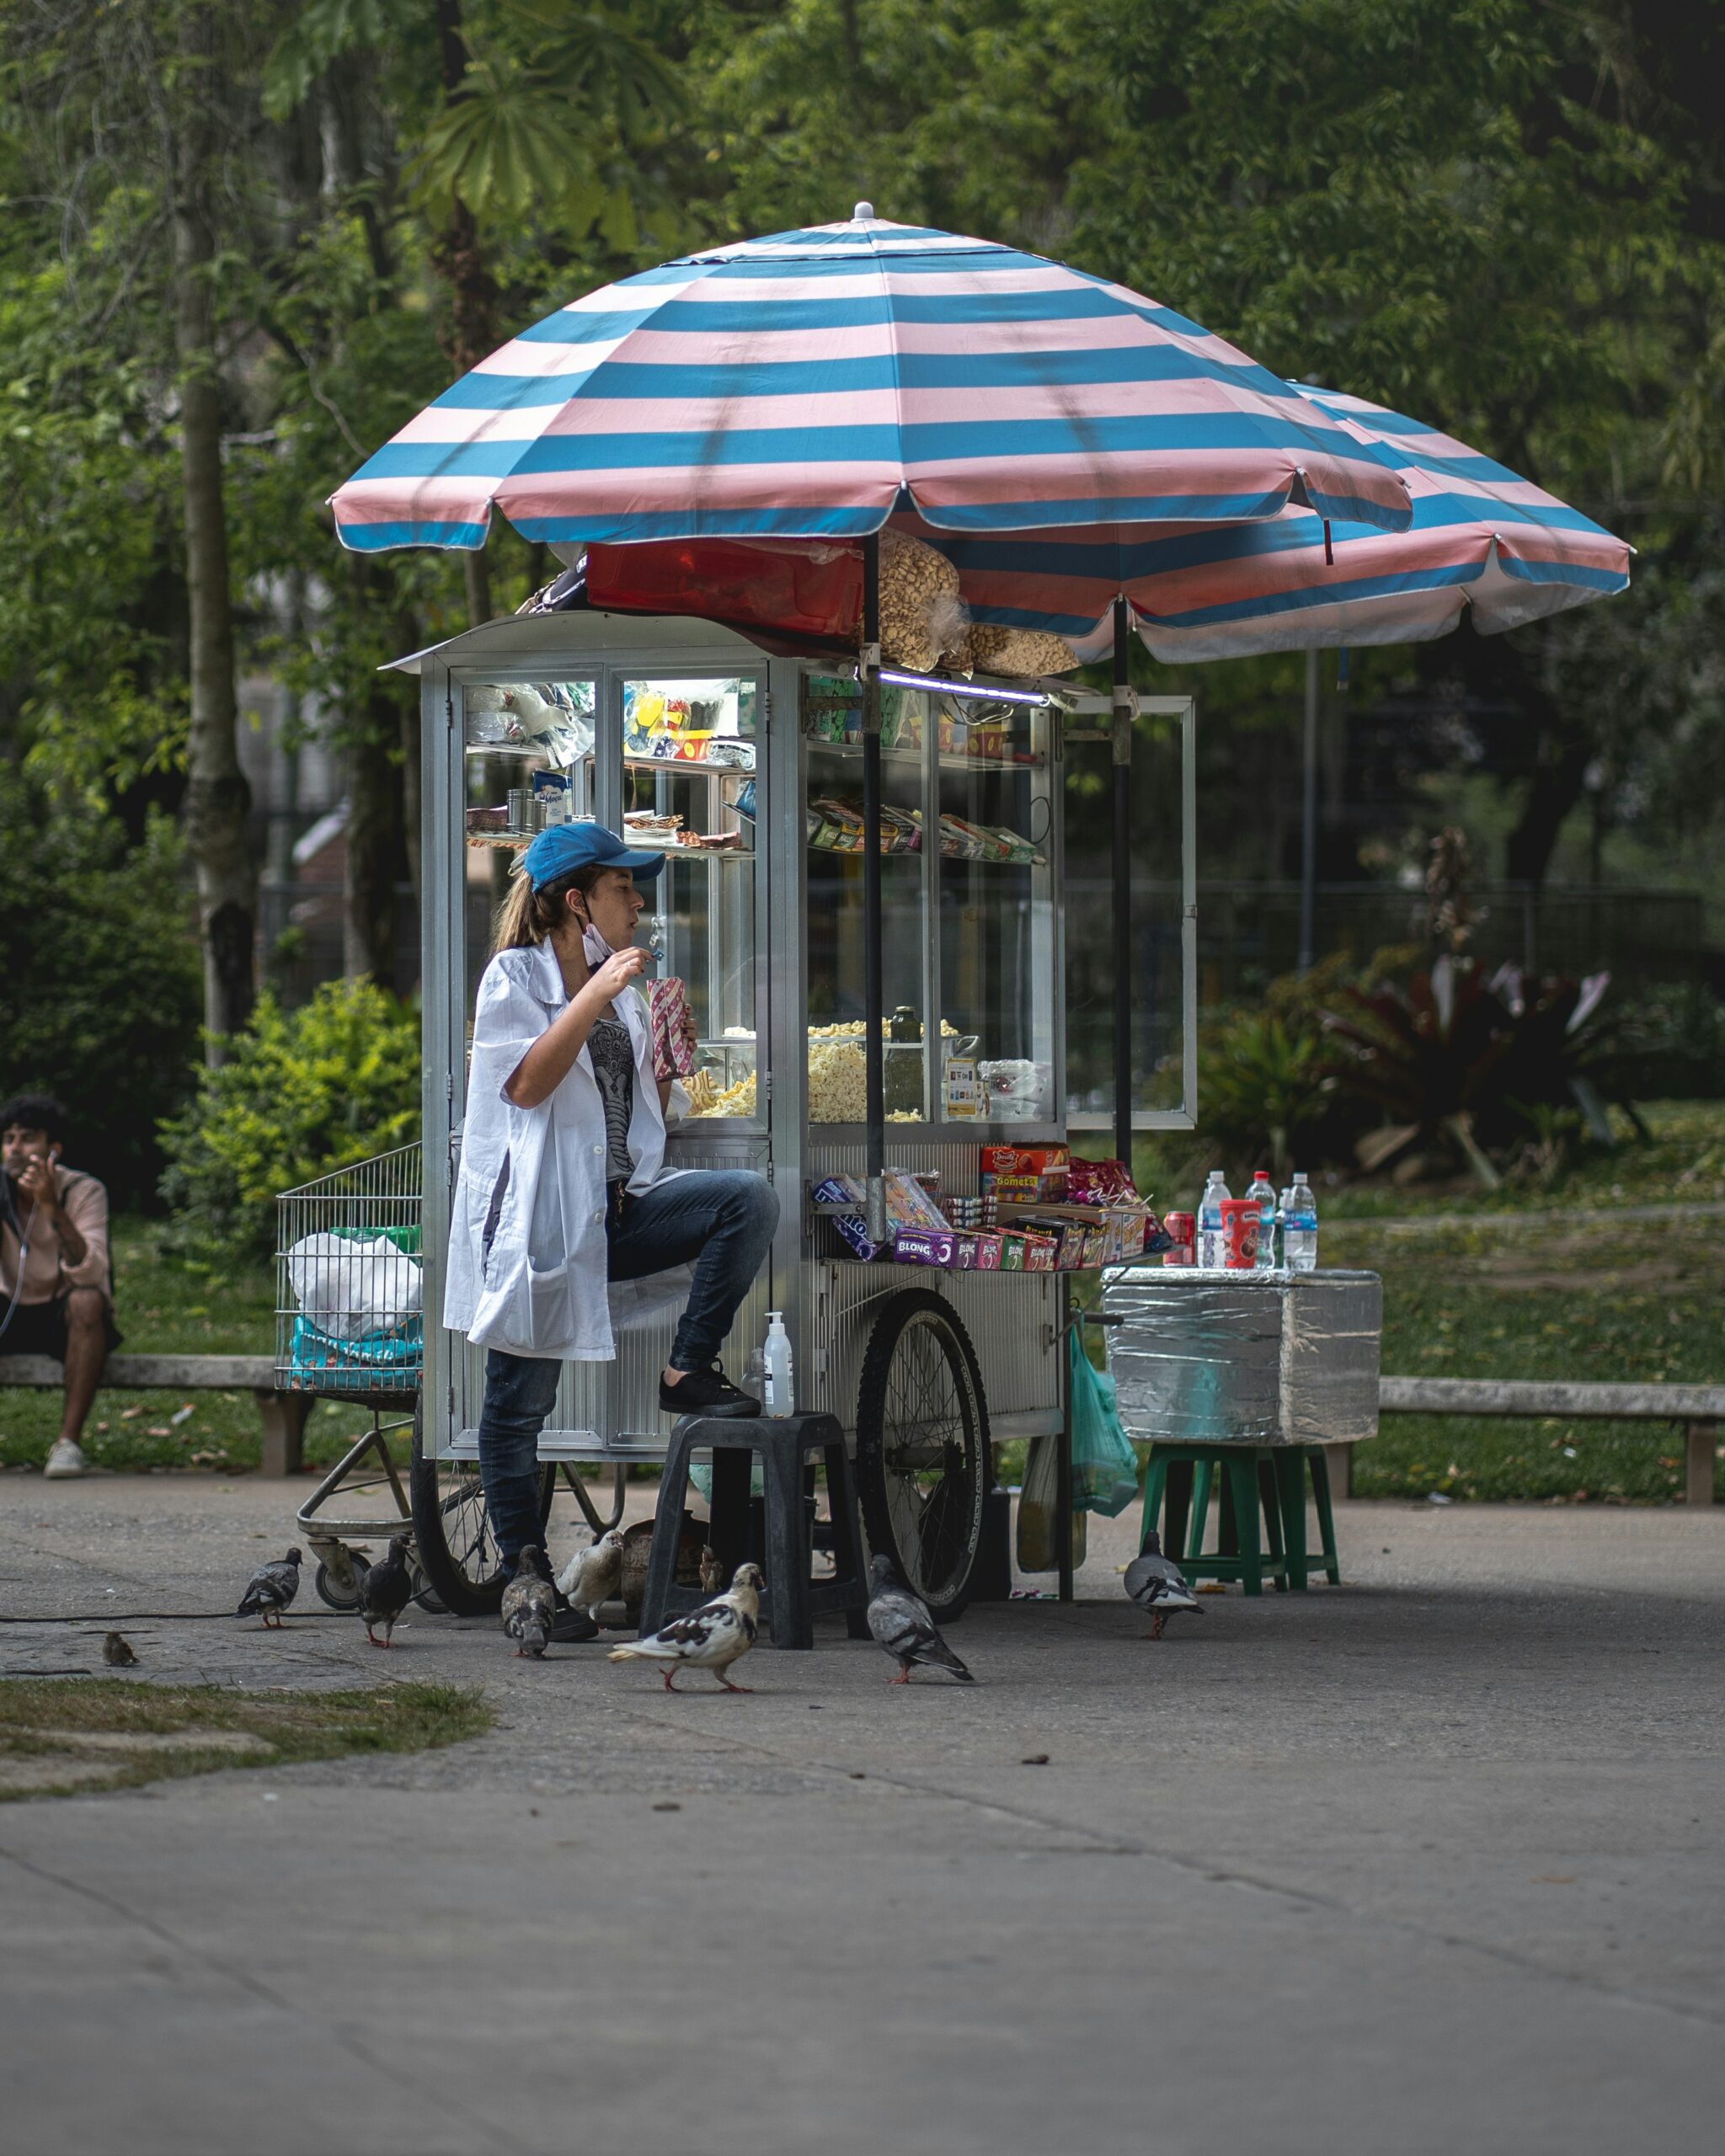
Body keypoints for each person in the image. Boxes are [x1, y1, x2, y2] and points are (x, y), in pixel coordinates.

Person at [444, 822, 778, 1625]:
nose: (639, 902)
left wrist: (664, 1060)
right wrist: (594, 995)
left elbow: (633, 1123)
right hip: (541, 1222)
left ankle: (686, 1370)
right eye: (623, 889)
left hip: (617, 1211)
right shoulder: (514, 978)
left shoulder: (622, 996)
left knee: (747, 1199)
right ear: (575, 902)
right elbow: (523, 1087)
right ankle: (526, 1572)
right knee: (518, 1403)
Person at [0, 1093, 120, 1479]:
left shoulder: (84, 1191)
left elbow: (90, 1274)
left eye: (28, 1138)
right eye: (8, 1139)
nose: (16, 1149)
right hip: (9, 1307)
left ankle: (68, 1444)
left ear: (53, 1150)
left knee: (88, 1301)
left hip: (63, 1312)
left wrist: (51, 1207)